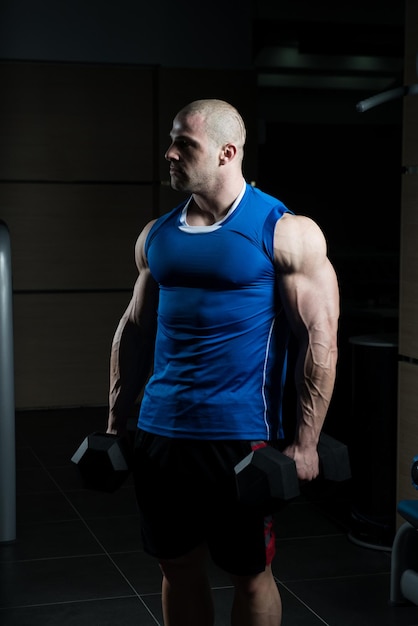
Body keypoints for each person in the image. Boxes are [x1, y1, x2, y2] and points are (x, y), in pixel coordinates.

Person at [106, 98, 340, 626]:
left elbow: (319, 340)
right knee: (175, 563)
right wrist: (118, 419)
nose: (169, 153)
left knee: (248, 573)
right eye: (171, 140)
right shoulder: (157, 235)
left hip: (240, 438)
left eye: (184, 144)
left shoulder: (286, 232)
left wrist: (305, 440)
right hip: (160, 431)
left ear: (226, 152)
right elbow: (135, 331)